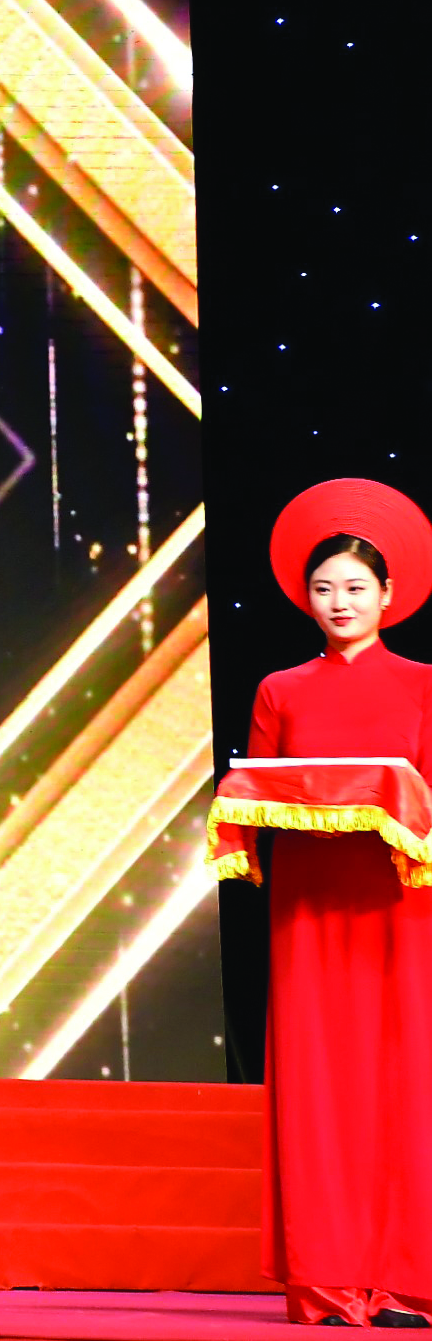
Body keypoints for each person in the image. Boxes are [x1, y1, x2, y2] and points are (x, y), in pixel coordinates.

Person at [222, 479, 432, 1327]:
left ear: (387, 594)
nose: (338, 602)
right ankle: (326, 1277)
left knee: (405, 1081)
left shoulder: (422, 684)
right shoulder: (280, 689)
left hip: (400, 908)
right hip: (308, 908)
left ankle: (407, 1277)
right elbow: (255, 790)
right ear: (303, 598)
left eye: (353, 587)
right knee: (318, 1084)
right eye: (322, 588)